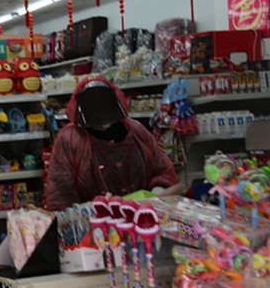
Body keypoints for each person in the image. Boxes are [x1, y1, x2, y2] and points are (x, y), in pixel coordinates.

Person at [45, 77, 184, 211]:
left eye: (103, 102)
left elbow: (163, 170)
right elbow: (60, 192)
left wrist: (157, 195)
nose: (99, 110)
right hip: (91, 220)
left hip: (141, 214)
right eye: (93, 104)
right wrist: (79, 215)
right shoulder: (70, 139)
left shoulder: (135, 130)